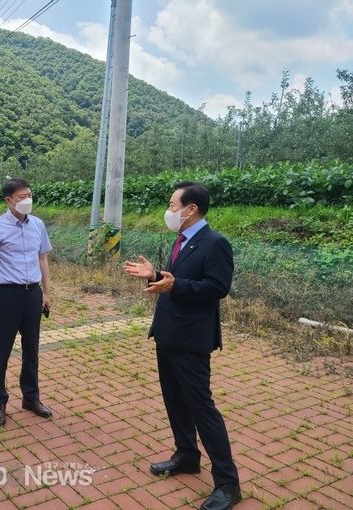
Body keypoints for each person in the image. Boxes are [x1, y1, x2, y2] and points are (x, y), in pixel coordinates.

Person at [123, 182, 241, 510]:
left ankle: (228, 483)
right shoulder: (182, 239)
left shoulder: (215, 243)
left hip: (191, 339)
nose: (169, 211)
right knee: (174, 399)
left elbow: (217, 287)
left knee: (202, 407)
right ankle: (187, 455)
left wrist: (175, 284)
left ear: (191, 209)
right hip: (168, 332)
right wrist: (156, 275)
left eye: (173, 205)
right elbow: (174, 282)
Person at [0, 178, 53, 428]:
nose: (27, 200)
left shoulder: (38, 225)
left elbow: (42, 258)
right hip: (7, 295)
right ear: (9, 200)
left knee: (32, 348)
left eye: (29, 195)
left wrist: (46, 292)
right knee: (1, 350)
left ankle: (31, 398)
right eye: (22, 197)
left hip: (32, 294)